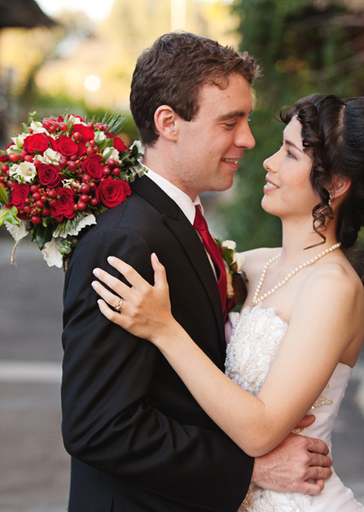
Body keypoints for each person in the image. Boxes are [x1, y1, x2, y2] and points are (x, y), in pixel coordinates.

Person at [91, 93, 364, 511]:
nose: (269, 162)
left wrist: (164, 330)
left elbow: (260, 431)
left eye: (291, 154)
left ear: (334, 184)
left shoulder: (333, 286)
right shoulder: (251, 266)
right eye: (280, 146)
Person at [61, 33, 335, 512]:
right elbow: (98, 427)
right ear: (168, 123)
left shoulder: (181, 222)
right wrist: (249, 469)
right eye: (231, 122)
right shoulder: (127, 239)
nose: (249, 139)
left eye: (246, 120)